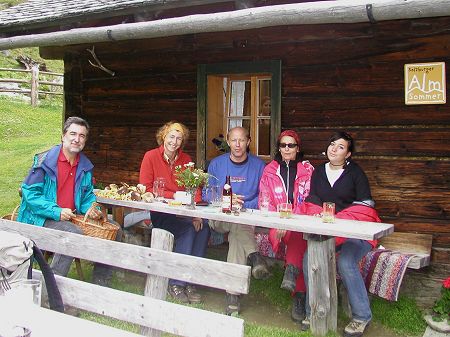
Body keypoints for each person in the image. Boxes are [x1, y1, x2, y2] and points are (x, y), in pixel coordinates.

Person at [17, 116, 116, 286]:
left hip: (70, 217)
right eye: (73, 134)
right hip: (39, 218)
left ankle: (100, 284)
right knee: (72, 232)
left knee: (115, 229)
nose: (77, 139)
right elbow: (30, 194)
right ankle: (52, 288)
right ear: (63, 136)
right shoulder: (44, 161)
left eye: (82, 136)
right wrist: (56, 211)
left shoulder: (85, 166)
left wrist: (91, 208)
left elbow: (86, 196)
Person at [300, 131, 381, 337]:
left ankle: (361, 316)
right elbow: (313, 199)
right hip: (328, 232)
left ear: (348, 154)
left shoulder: (355, 173)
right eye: (332, 144)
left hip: (355, 233)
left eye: (341, 147)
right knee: (310, 258)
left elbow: (366, 206)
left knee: (346, 262)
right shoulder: (319, 172)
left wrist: (343, 218)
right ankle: (313, 311)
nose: (334, 149)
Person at [139, 121, 210, 304]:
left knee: (203, 227)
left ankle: (190, 280)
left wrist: (195, 212)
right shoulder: (151, 156)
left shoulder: (186, 160)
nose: (174, 141)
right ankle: (176, 283)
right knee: (187, 230)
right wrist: (178, 195)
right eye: (171, 136)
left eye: (179, 138)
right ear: (163, 136)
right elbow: (147, 188)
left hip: (184, 211)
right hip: (162, 213)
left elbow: (195, 188)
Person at [205, 126, 270, 315]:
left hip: (246, 216)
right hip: (220, 216)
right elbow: (207, 193)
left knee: (237, 233)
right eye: (233, 140)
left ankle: (232, 295)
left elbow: (264, 196)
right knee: (238, 223)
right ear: (227, 141)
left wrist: (245, 204)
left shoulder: (259, 166)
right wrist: (227, 200)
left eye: (241, 140)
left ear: (248, 141)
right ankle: (254, 256)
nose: (238, 144)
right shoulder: (216, 164)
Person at [258, 130, 314, 323]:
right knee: (297, 237)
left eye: (291, 145)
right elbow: (264, 200)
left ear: (298, 148)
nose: (287, 148)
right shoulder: (270, 170)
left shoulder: (308, 171)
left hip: (299, 221)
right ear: (279, 148)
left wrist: (291, 221)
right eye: (283, 145)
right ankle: (297, 290)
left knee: (298, 235)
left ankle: (294, 283)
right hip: (276, 222)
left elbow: (309, 200)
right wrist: (279, 221)